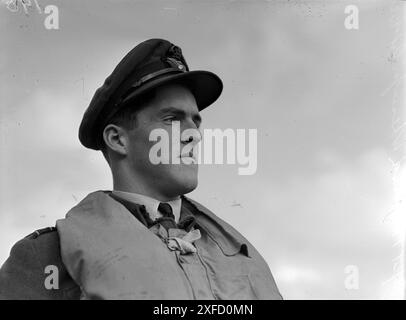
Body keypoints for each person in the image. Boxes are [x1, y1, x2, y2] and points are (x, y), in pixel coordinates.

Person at [0, 39, 282, 300]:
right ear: (117, 139)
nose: (193, 135)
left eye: (196, 122)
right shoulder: (47, 256)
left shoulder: (239, 253)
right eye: (172, 119)